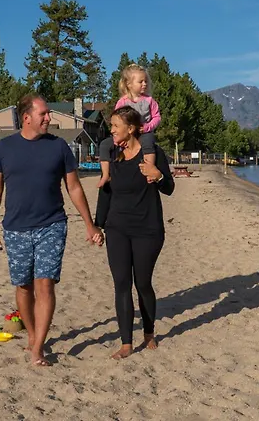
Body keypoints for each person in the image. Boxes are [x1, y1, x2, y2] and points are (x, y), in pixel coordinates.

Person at [0, 93, 103, 367]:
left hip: (52, 225)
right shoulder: (4, 147)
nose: (49, 118)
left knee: (45, 283)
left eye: (49, 113)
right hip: (16, 228)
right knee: (23, 286)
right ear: (27, 118)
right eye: (44, 114)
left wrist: (89, 224)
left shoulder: (59, 147)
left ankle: (38, 347)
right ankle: (32, 333)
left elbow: (74, 187)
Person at [94, 106, 175, 360]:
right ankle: (126, 343)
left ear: (131, 129)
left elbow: (169, 188)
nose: (111, 130)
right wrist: (97, 225)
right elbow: (105, 191)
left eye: (115, 126)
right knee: (121, 284)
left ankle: (149, 333)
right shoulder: (112, 155)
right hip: (117, 228)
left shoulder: (152, 154)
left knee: (142, 283)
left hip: (147, 229)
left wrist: (157, 175)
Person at [97, 63, 161, 188]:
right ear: (129, 84)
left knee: (148, 143)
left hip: (143, 133)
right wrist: (117, 138)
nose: (144, 84)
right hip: (125, 134)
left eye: (146, 81)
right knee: (104, 144)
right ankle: (105, 174)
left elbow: (157, 117)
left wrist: (147, 127)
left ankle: (149, 171)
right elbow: (116, 121)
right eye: (140, 81)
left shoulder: (149, 101)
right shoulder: (122, 102)